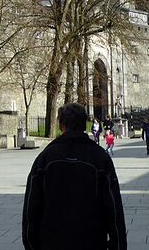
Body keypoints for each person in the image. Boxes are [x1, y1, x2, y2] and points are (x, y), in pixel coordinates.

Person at [22, 103, 127, 250]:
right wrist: (118, 244)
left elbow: (31, 209)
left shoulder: (45, 158)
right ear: (84, 124)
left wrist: (31, 244)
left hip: (52, 241)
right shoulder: (100, 157)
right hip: (91, 240)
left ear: (61, 125)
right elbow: (113, 208)